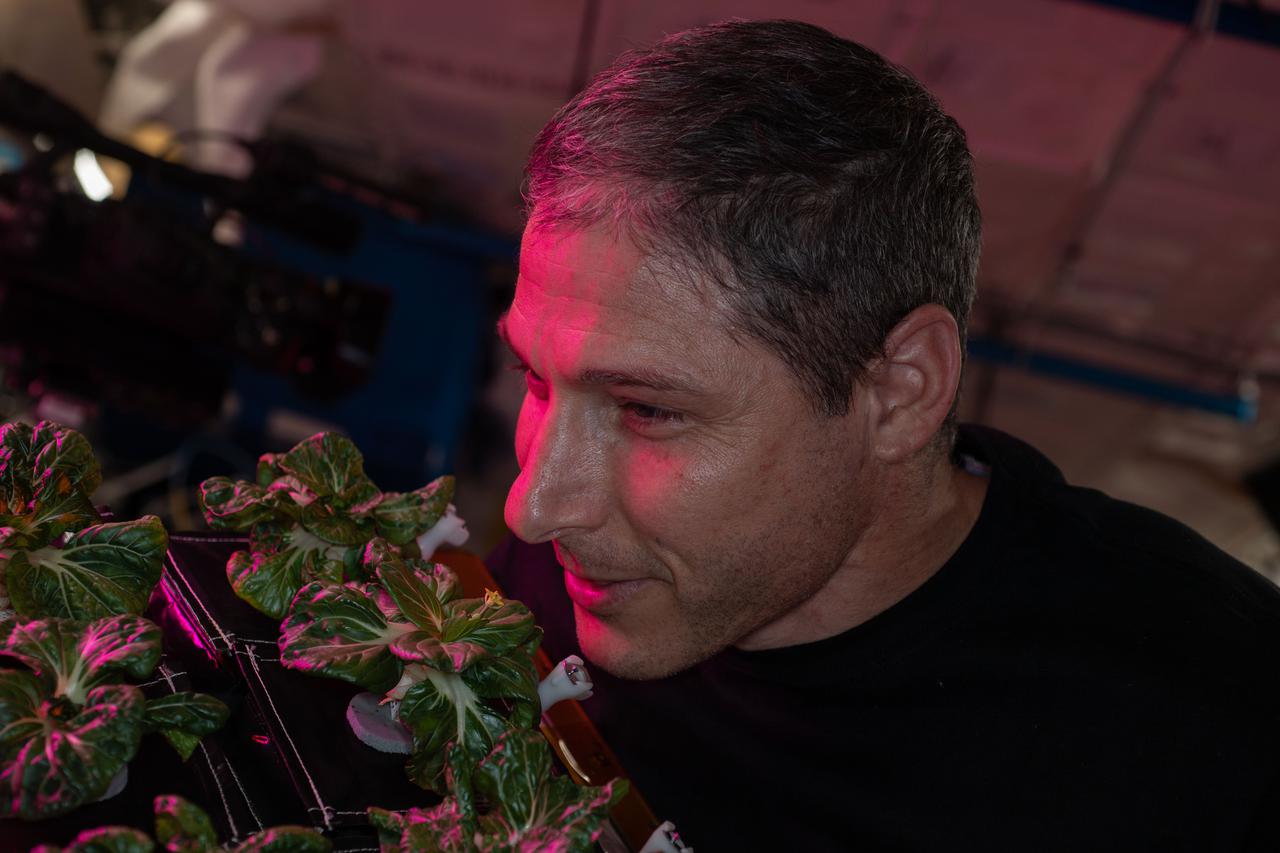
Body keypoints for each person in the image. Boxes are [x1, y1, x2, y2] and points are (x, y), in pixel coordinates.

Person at [486, 19, 1280, 852]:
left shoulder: (1224, 725)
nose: (534, 507)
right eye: (536, 381)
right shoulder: (566, 577)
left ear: (902, 391)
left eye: (647, 411)